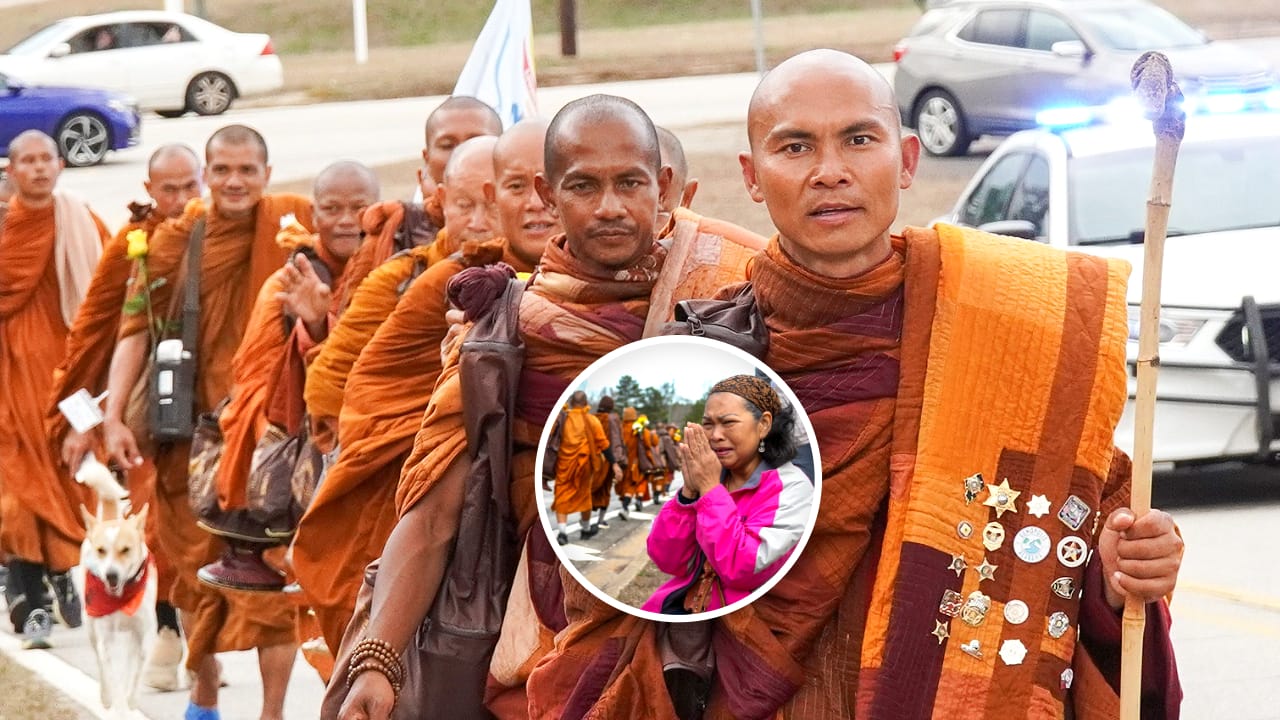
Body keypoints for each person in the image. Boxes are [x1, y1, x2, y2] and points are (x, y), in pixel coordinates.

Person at [528, 49, 1183, 718]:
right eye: (795, 146)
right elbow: (604, 592)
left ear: (905, 159)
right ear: (753, 177)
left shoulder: (1006, 326)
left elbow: (1074, 520)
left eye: (859, 140)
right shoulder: (688, 367)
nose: (830, 172)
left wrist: (1119, 568)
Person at [329, 93, 677, 720]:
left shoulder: (713, 312)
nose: (608, 207)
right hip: (529, 647)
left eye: (630, 182)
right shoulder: (502, 331)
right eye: (582, 186)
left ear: (666, 185)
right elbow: (435, 514)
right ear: (549, 195)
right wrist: (378, 659)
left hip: (683, 652)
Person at [292, 122, 556, 655]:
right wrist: (445, 425)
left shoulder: (602, 275)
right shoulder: (434, 280)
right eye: (507, 192)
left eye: (543, 187)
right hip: (439, 508)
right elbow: (341, 390)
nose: (478, 222)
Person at [102, 124, 314, 720]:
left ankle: (272, 711)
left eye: (247, 170)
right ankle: (204, 692)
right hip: (192, 439)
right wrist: (114, 415)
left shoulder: (293, 229)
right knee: (193, 576)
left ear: (267, 175)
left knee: (274, 580)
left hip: (270, 440)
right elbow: (134, 329)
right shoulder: (172, 243)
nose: (235, 181)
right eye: (222, 170)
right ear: (206, 174)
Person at [44, 143, 201, 686]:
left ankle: (202, 639)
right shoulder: (131, 249)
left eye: (190, 187)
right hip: (142, 408)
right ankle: (166, 629)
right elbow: (88, 342)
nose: (180, 200)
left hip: (212, 406)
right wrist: (84, 421)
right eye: (168, 189)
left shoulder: (227, 233)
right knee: (155, 524)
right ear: (149, 191)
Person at [0, 130, 109, 649]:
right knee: (15, 490)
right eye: (28, 161)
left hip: (68, 373)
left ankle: (63, 570)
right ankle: (30, 605)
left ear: (61, 165)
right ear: (12, 169)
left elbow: (112, 290)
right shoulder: (4, 224)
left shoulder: (81, 221)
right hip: (7, 377)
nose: (39, 169)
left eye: (47, 159)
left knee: (71, 482)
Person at [642, 375, 812, 614]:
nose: (715, 435)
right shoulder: (713, 476)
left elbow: (742, 569)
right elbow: (668, 560)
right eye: (708, 424)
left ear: (763, 425)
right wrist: (688, 496)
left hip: (743, 618)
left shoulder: (792, 487)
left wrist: (710, 491)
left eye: (728, 422)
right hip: (682, 605)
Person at [338, 96, 503, 315]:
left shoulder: (530, 226)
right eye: (447, 145)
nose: (462, 152)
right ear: (427, 158)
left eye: (476, 141)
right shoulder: (396, 230)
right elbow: (351, 337)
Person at [550, 391, 610, 545]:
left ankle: (562, 532)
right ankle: (585, 529)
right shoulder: (592, 421)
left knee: (561, 494)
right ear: (586, 403)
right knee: (584, 496)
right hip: (584, 466)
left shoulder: (563, 419)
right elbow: (603, 444)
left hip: (564, 464)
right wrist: (614, 463)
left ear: (570, 403)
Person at [590, 396, 626, 530]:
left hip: (591, 458)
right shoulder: (613, 419)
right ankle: (600, 519)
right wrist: (617, 461)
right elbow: (616, 440)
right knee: (605, 490)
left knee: (590, 488)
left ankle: (585, 522)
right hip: (607, 459)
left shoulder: (592, 417)